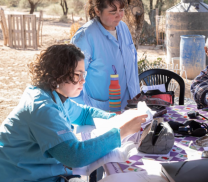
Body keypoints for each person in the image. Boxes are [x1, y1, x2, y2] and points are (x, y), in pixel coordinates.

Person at [0, 44, 147, 182]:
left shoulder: (53, 95)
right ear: (58, 75)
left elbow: (83, 114)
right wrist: (122, 131)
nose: (83, 80)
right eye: (78, 75)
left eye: (84, 74)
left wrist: (116, 118)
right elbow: (75, 156)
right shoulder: (43, 108)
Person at [71, 0, 140, 111]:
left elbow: (131, 67)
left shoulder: (123, 28)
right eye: (113, 12)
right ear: (97, 11)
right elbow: (72, 80)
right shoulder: (85, 36)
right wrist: (83, 115)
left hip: (130, 106)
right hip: (100, 110)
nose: (119, 15)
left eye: (121, 10)